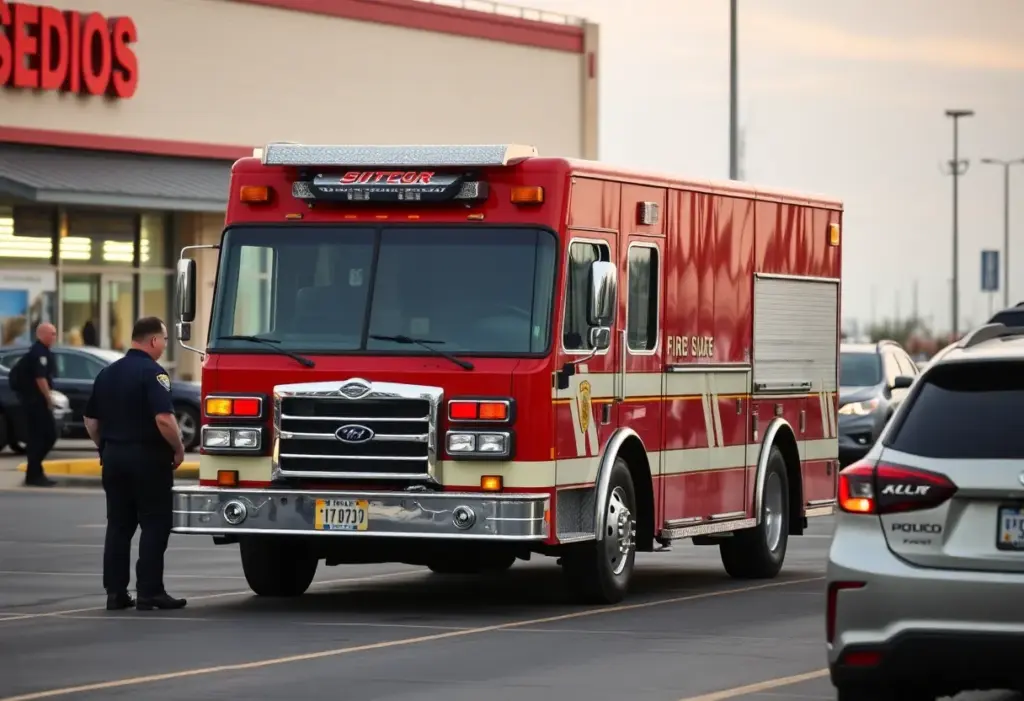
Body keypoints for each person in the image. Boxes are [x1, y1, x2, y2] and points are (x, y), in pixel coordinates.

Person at [83, 317, 187, 612]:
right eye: (164, 340)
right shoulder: (154, 374)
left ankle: (115, 594)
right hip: (148, 459)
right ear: (154, 341)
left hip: (114, 457)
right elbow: (164, 419)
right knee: (155, 523)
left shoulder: (107, 373)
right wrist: (178, 449)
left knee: (118, 525)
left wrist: (103, 446)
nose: (164, 346)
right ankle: (149, 592)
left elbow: (91, 420)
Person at [13, 323, 58, 487]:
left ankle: (35, 472)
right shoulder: (38, 353)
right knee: (43, 437)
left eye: (55, 334)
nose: (54, 337)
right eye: (51, 334)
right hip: (35, 403)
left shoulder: (44, 352)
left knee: (45, 437)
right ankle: (34, 474)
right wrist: (49, 399)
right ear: (41, 334)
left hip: (37, 402)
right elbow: (40, 378)